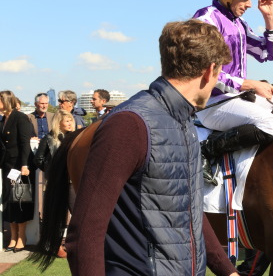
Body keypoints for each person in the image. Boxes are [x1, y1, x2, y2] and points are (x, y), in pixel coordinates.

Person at [65, 20, 236, 275]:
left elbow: (189, 210)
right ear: (210, 71)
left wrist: (227, 270)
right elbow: (85, 233)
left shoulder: (185, 123)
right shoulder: (129, 125)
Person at [193, 0, 273, 173]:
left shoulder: (239, 24)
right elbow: (203, 70)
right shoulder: (206, 20)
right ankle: (206, 149)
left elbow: (267, 53)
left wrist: (269, 17)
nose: (249, 4)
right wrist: (247, 84)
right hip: (211, 104)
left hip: (236, 99)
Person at [33, 109, 75, 259]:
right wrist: (52, 172)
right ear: (59, 122)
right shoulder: (49, 138)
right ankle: (55, 246)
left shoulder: (75, 138)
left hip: (72, 182)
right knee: (58, 217)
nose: (70, 123)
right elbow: (38, 160)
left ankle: (74, 244)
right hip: (56, 183)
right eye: (67, 120)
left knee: (77, 213)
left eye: (71, 120)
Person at [0, 90, 36, 253]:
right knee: (9, 203)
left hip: (19, 166)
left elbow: (24, 144)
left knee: (20, 201)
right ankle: (13, 237)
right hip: (7, 167)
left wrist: (24, 166)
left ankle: (22, 237)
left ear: (6, 101)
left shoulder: (20, 118)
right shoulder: (3, 119)